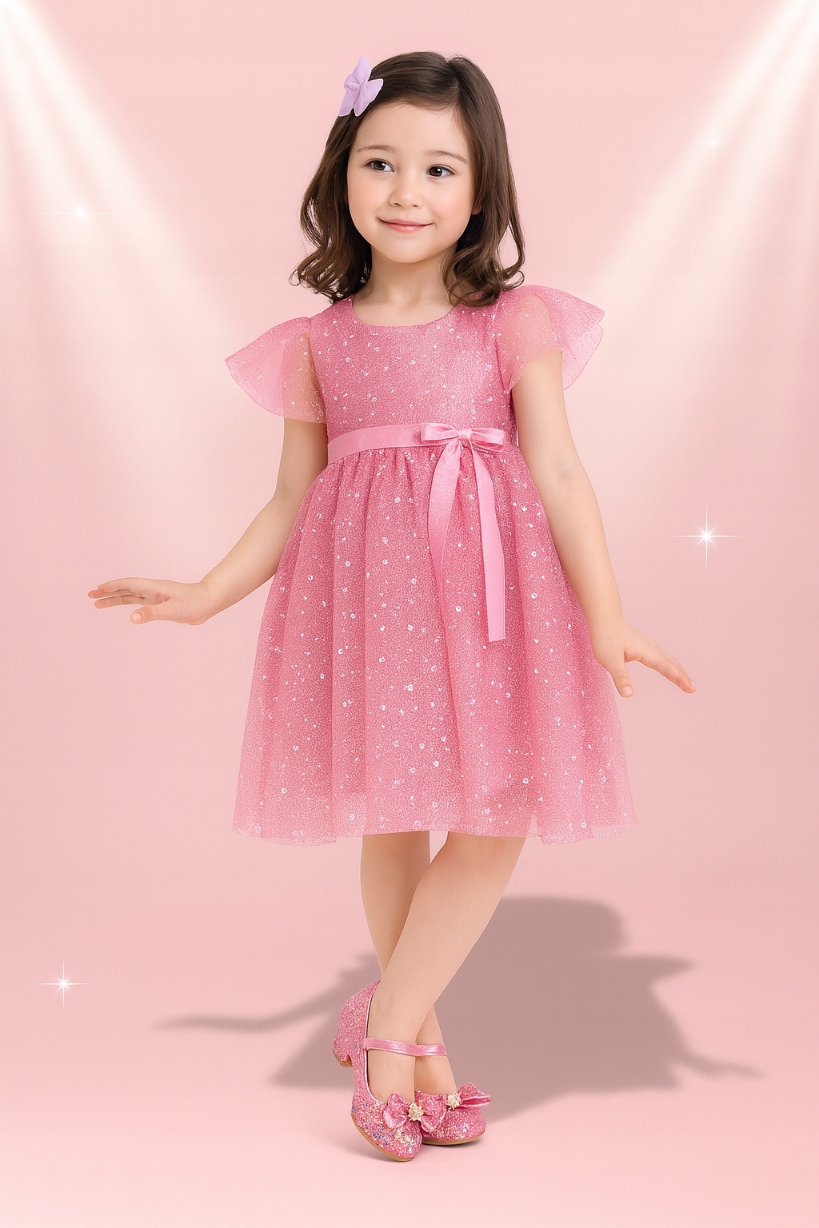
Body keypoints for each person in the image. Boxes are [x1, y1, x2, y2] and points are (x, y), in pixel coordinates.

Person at [88, 51, 696, 1161]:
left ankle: (385, 1025)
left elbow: (561, 471)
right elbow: (290, 496)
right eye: (380, 162)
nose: (405, 191)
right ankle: (423, 1057)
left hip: (496, 603)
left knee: (499, 813)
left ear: (481, 188)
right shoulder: (317, 342)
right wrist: (206, 592)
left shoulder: (512, 321)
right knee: (393, 815)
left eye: (437, 169)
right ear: (342, 171)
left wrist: (606, 615)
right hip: (372, 602)